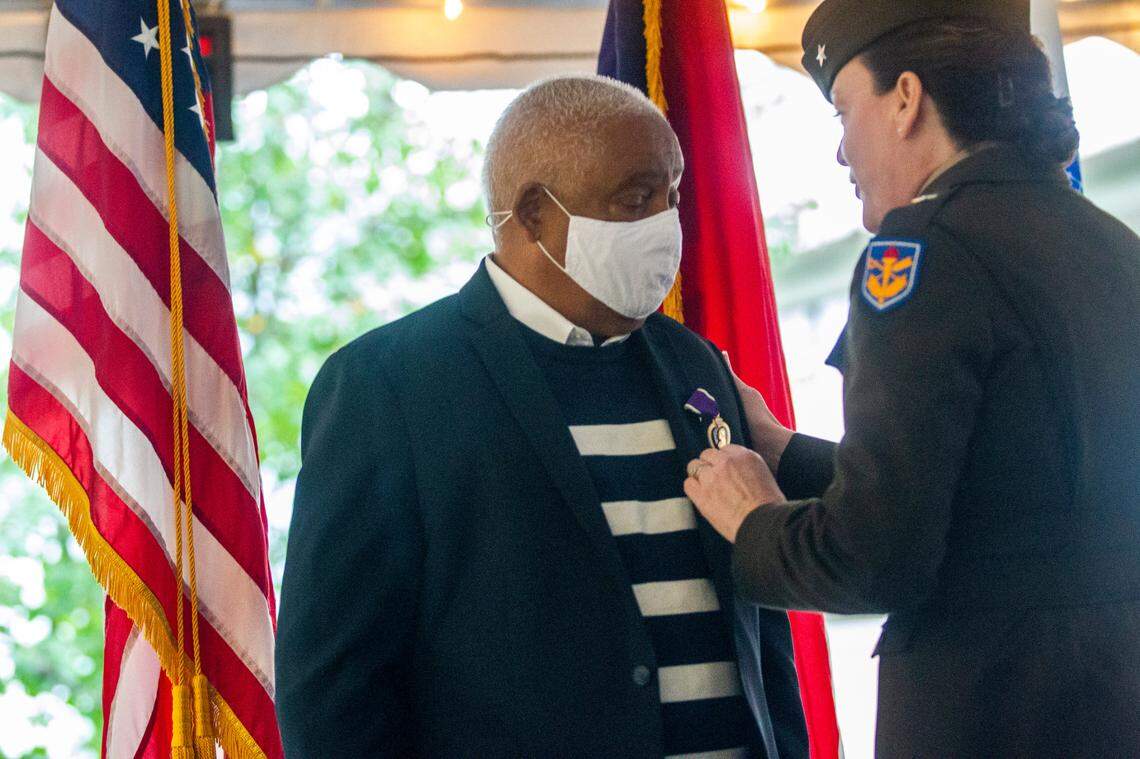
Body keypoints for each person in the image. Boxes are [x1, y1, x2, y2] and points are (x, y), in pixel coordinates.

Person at [275, 75, 809, 758]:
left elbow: (762, 641)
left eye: (672, 195)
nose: (664, 223)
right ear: (534, 213)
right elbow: (332, 686)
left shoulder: (695, 364)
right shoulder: (389, 384)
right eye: (635, 198)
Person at [683, 1, 1140, 756]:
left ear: (906, 99)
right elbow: (1001, 499)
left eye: (842, 110)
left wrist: (753, 518)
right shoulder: (1108, 242)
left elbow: (874, 557)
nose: (841, 151)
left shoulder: (923, 251)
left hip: (989, 712)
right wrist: (786, 451)